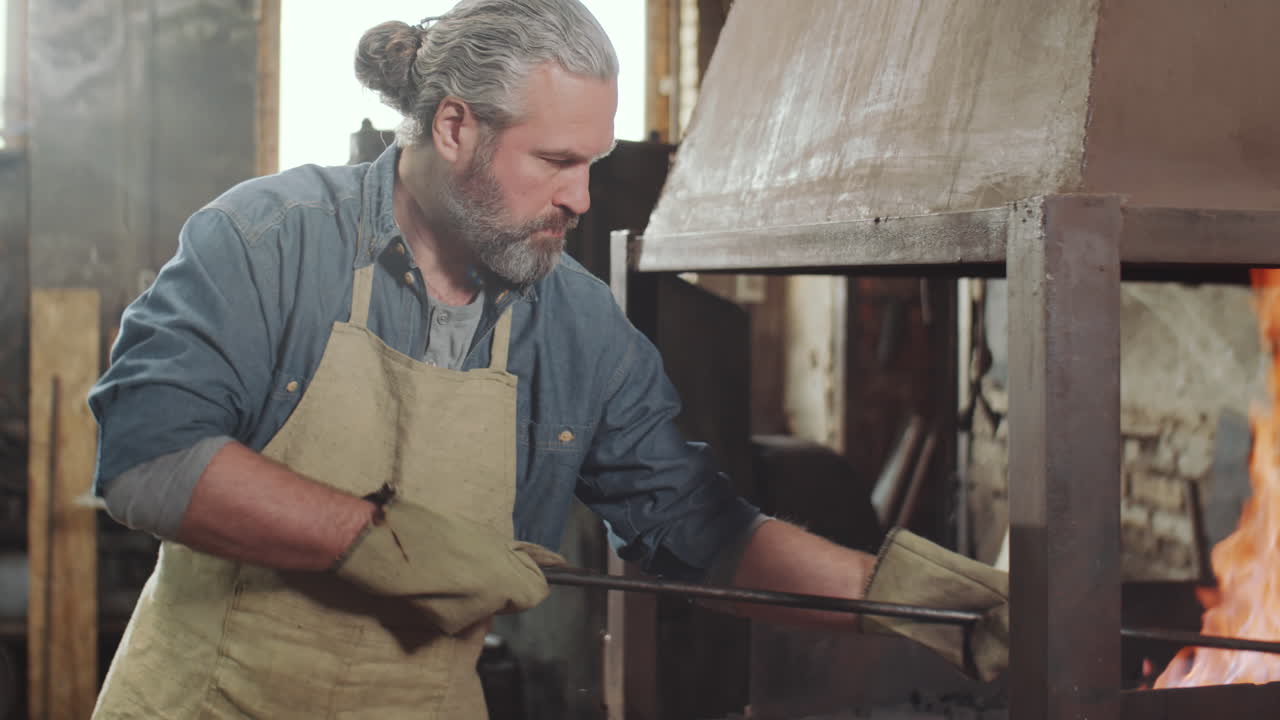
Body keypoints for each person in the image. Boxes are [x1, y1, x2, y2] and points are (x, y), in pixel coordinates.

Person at [87, 1, 1008, 717]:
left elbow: (698, 533)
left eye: (594, 163)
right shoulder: (268, 241)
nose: (581, 196)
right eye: (556, 160)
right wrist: (370, 537)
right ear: (455, 128)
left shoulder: (579, 327)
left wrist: (903, 599)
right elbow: (148, 455)